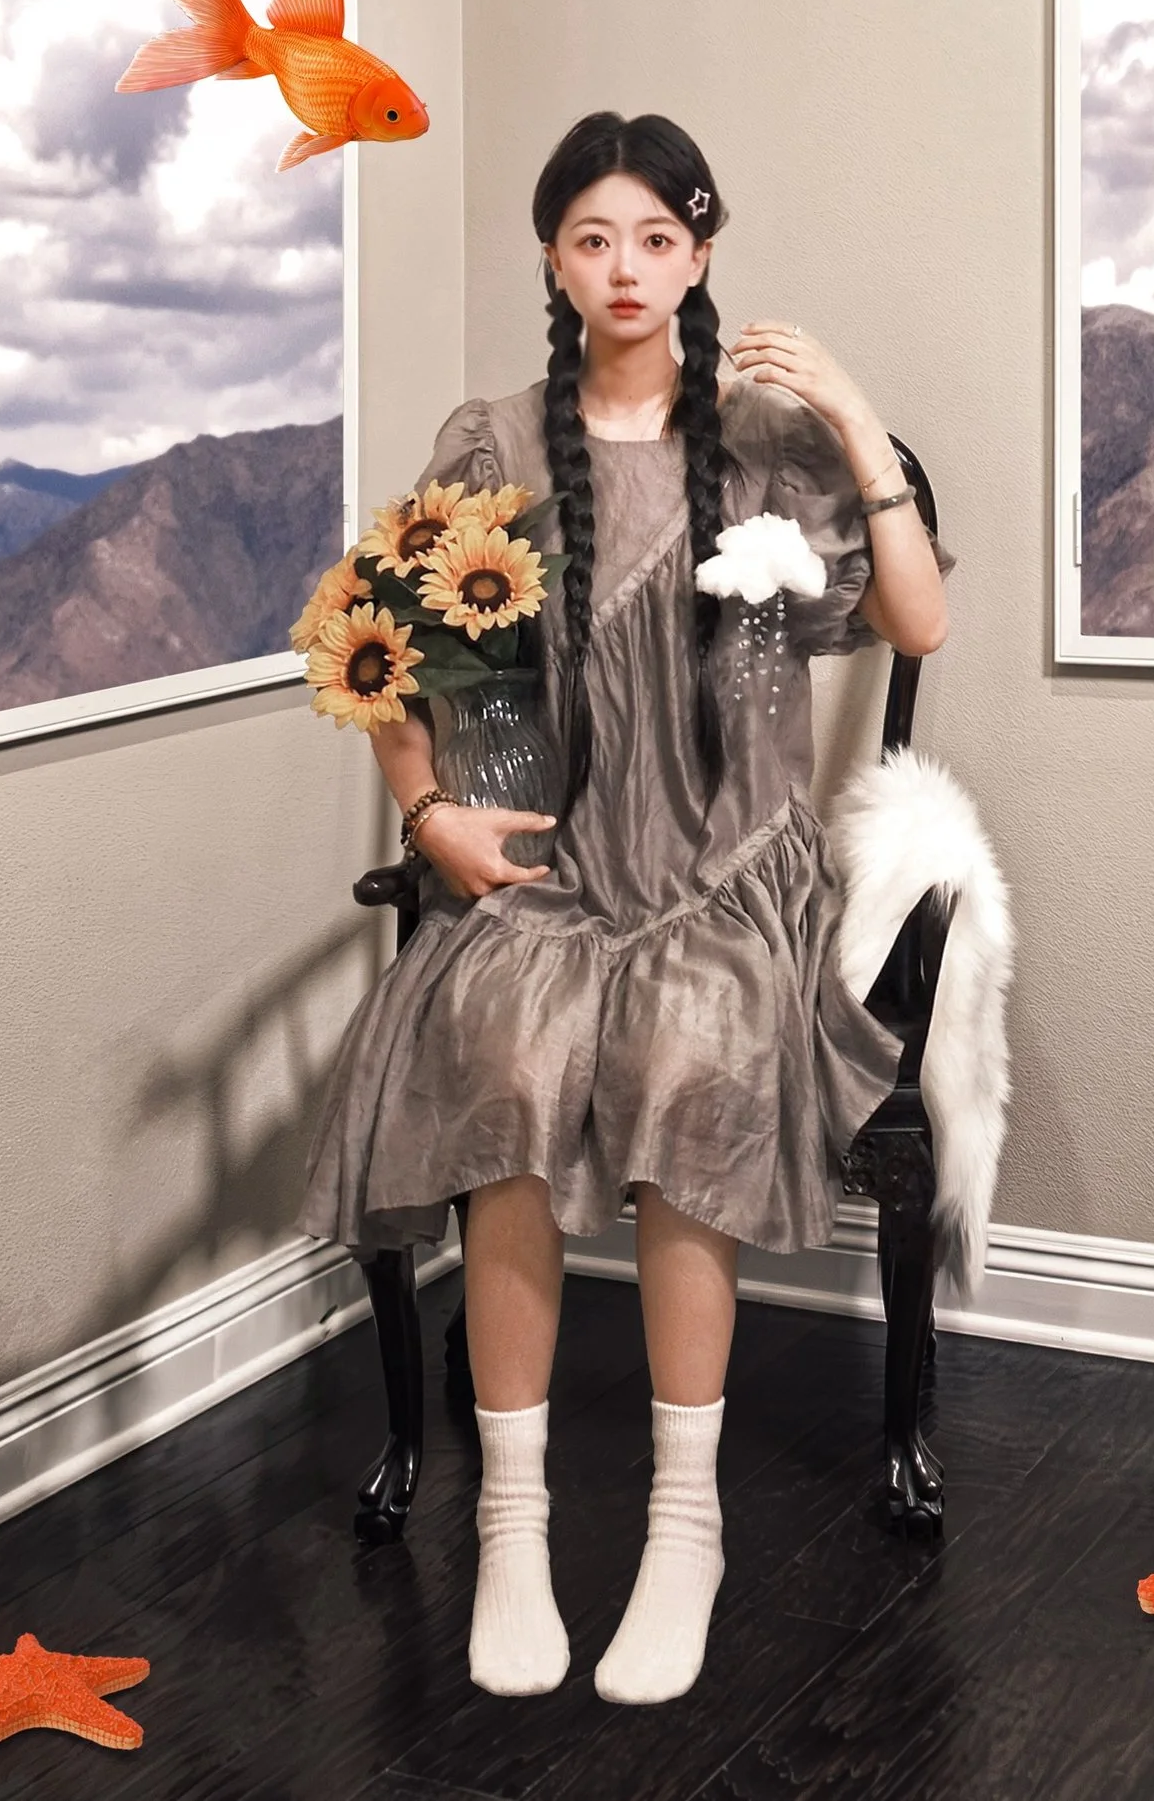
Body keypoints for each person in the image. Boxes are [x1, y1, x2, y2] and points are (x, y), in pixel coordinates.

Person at [300, 109, 950, 1704]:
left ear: (702, 255)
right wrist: (430, 811)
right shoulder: (492, 444)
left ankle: (684, 1520)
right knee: (510, 1077)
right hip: (548, 875)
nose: (626, 268)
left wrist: (858, 421)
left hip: (729, 874)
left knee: (689, 1074)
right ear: (551, 256)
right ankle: (511, 1519)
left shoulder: (774, 446)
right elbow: (369, 646)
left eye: (657, 239)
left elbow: (921, 618)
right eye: (594, 238)